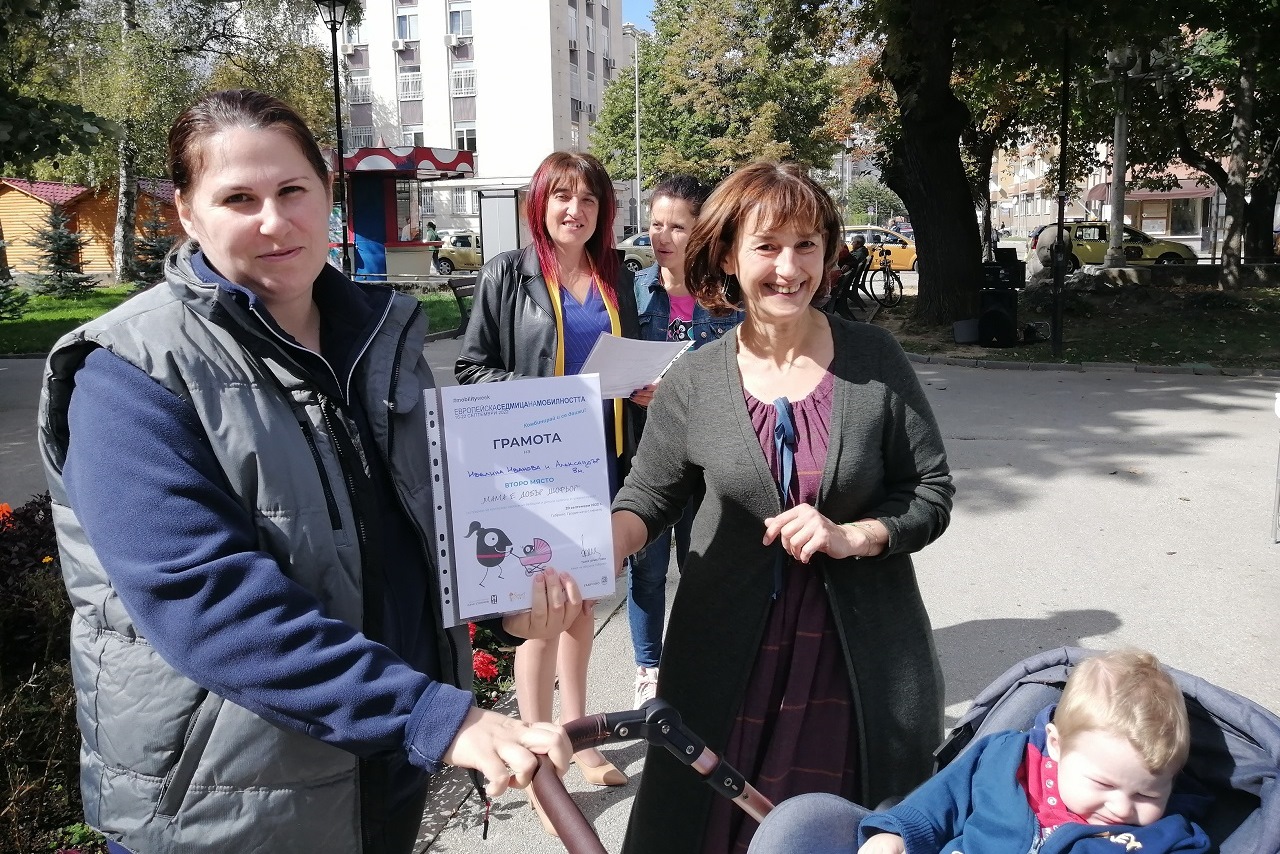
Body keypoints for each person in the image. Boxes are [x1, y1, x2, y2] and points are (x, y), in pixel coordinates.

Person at [35, 89, 582, 854]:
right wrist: (433, 717)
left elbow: (415, 530)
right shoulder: (129, 372)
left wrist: (503, 605)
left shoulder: (379, 340)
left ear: (327, 195)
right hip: (227, 805)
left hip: (377, 775)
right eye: (238, 198)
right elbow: (203, 598)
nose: (274, 220)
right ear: (187, 212)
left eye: (292, 190)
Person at [610, 161, 954, 854]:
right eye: (766, 247)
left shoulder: (874, 358)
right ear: (728, 257)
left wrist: (856, 534)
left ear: (827, 254)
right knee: (711, 829)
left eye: (806, 245)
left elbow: (930, 489)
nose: (789, 268)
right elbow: (648, 497)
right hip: (723, 659)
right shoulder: (695, 379)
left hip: (855, 661)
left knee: (842, 831)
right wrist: (586, 553)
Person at [455, 150, 652, 834]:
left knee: (584, 603)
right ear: (539, 204)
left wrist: (642, 389)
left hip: (605, 461)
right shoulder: (507, 274)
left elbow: (625, 361)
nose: (576, 210)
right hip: (536, 465)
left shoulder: (614, 276)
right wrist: (556, 397)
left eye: (589, 199)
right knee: (542, 609)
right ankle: (539, 763)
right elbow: (472, 369)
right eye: (563, 196)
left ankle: (578, 735)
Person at [748, 650, 1211, 854]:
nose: (1122, 808)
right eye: (1103, 784)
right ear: (1056, 746)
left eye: (1148, 794)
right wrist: (897, 835)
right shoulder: (1003, 762)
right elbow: (938, 803)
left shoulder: (1167, 838)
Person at [629, 174, 744, 708]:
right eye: (655, 224)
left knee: (703, 568)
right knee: (647, 570)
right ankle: (649, 668)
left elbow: (743, 375)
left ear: (701, 231)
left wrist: (677, 392)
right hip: (648, 459)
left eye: (677, 226)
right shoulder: (632, 292)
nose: (662, 236)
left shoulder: (726, 299)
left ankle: (697, 663)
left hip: (709, 458)